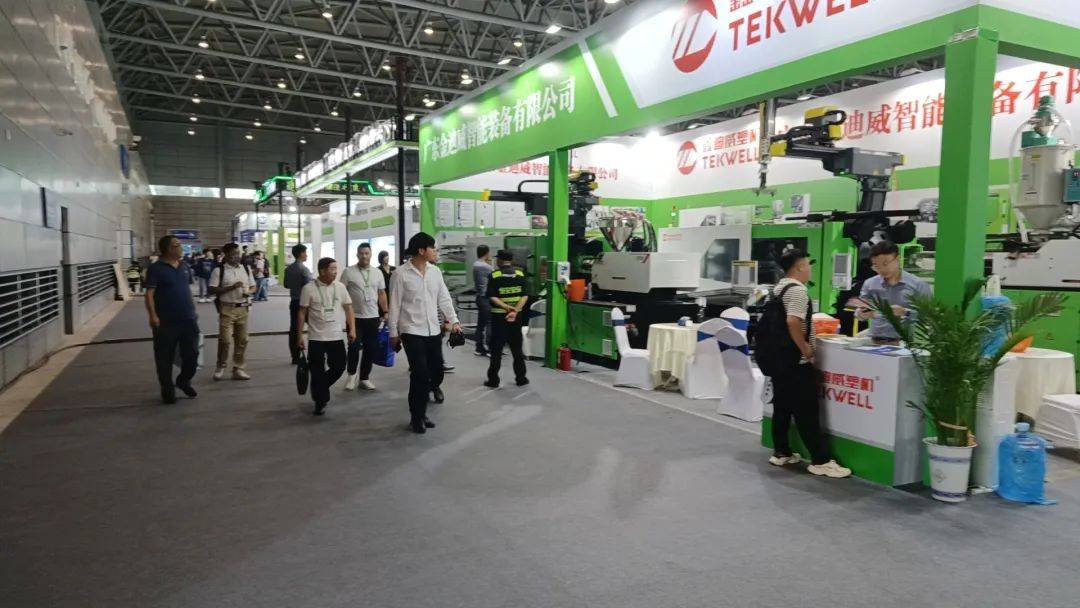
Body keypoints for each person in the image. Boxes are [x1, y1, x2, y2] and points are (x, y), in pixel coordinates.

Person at [768, 249, 852, 478]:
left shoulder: (778, 288)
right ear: (799, 267)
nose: (810, 269)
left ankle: (781, 451)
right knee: (807, 410)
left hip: (779, 358)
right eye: (807, 265)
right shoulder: (797, 291)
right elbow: (793, 321)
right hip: (796, 360)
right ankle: (820, 460)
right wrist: (804, 347)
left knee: (782, 406)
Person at [388, 232, 461, 434]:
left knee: (436, 372)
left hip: (433, 330)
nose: (436, 251)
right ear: (421, 250)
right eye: (433, 248)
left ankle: (421, 411)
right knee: (419, 374)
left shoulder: (435, 272)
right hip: (411, 330)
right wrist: (393, 333)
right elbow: (395, 305)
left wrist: (454, 321)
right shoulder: (400, 274)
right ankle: (417, 416)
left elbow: (444, 298)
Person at [144, 235, 199, 405]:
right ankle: (167, 390)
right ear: (169, 249)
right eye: (177, 245)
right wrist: (153, 315)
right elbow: (149, 294)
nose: (181, 248)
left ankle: (183, 380)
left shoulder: (184, 266)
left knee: (192, 355)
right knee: (164, 358)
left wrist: (193, 309)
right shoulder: (156, 269)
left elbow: (187, 290)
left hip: (188, 319)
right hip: (166, 322)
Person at [297, 257, 356, 416]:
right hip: (316, 337)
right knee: (316, 370)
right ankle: (320, 401)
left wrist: (352, 329)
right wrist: (299, 335)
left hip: (336, 336)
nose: (335, 272)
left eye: (336, 268)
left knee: (339, 367)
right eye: (332, 269)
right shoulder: (308, 288)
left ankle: (318, 388)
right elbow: (302, 313)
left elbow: (349, 308)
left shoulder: (340, 287)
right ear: (322, 271)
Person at [855, 241, 932, 345]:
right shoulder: (870, 284)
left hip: (904, 343)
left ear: (897, 259)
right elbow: (859, 312)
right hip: (874, 340)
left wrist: (904, 312)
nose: (882, 269)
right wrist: (861, 313)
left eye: (885, 264)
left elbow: (928, 316)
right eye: (876, 266)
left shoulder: (918, 285)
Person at [340, 243, 388, 391]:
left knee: (370, 349)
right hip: (354, 317)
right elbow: (341, 292)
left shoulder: (377, 273)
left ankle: (364, 378)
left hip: (373, 317)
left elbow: (381, 293)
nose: (364, 256)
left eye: (366, 253)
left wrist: (386, 311)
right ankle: (351, 375)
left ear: (371, 254)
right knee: (354, 347)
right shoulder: (348, 272)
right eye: (361, 253)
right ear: (357, 255)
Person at [208, 243, 256, 381]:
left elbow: (253, 286)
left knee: (243, 340)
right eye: (234, 253)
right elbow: (212, 289)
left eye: (238, 253)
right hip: (227, 308)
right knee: (225, 340)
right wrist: (231, 287)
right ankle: (220, 366)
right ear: (226, 254)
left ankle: (238, 369)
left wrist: (249, 292)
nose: (237, 256)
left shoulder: (245, 268)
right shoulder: (219, 270)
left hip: (243, 308)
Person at [484, 250, 529, 388]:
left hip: (499, 318)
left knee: (496, 350)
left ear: (499, 260)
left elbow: (492, 296)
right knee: (517, 348)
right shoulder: (520, 274)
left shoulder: (494, 275)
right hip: (516, 318)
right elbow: (524, 295)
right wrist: (515, 310)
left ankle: (493, 380)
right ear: (511, 260)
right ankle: (521, 378)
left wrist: (506, 307)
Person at [284, 244, 314, 364]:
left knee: (295, 329)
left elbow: (286, 285)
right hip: (305, 303)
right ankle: (314, 354)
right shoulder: (304, 270)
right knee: (314, 327)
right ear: (301, 254)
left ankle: (295, 356)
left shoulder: (288, 269)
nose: (306, 255)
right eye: (305, 253)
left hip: (294, 301)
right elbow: (309, 286)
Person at [472, 244, 494, 357]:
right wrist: (491, 264)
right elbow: (495, 276)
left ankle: (479, 348)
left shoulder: (476, 264)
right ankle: (490, 349)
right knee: (490, 323)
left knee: (480, 325)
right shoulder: (486, 267)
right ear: (487, 253)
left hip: (479, 297)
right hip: (486, 298)